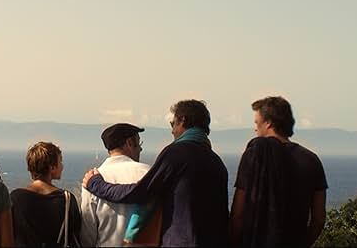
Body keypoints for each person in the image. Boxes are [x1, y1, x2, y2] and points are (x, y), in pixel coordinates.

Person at [82, 100, 229, 247]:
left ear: (183, 120)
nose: (172, 131)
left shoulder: (176, 154)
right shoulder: (216, 162)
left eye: (173, 123)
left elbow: (139, 192)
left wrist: (96, 184)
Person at [229, 96, 328, 248]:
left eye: (257, 122)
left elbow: (238, 214)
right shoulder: (311, 160)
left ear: (268, 123)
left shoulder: (254, 155)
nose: (255, 128)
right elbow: (319, 219)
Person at [79, 123, 151, 247]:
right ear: (129, 143)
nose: (140, 149)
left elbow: (87, 234)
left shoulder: (91, 180)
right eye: (139, 143)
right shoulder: (149, 173)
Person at [11, 141, 82, 247]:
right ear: (52, 168)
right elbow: (75, 233)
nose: (62, 166)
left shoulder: (15, 198)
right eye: (60, 162)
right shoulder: (66, 199)